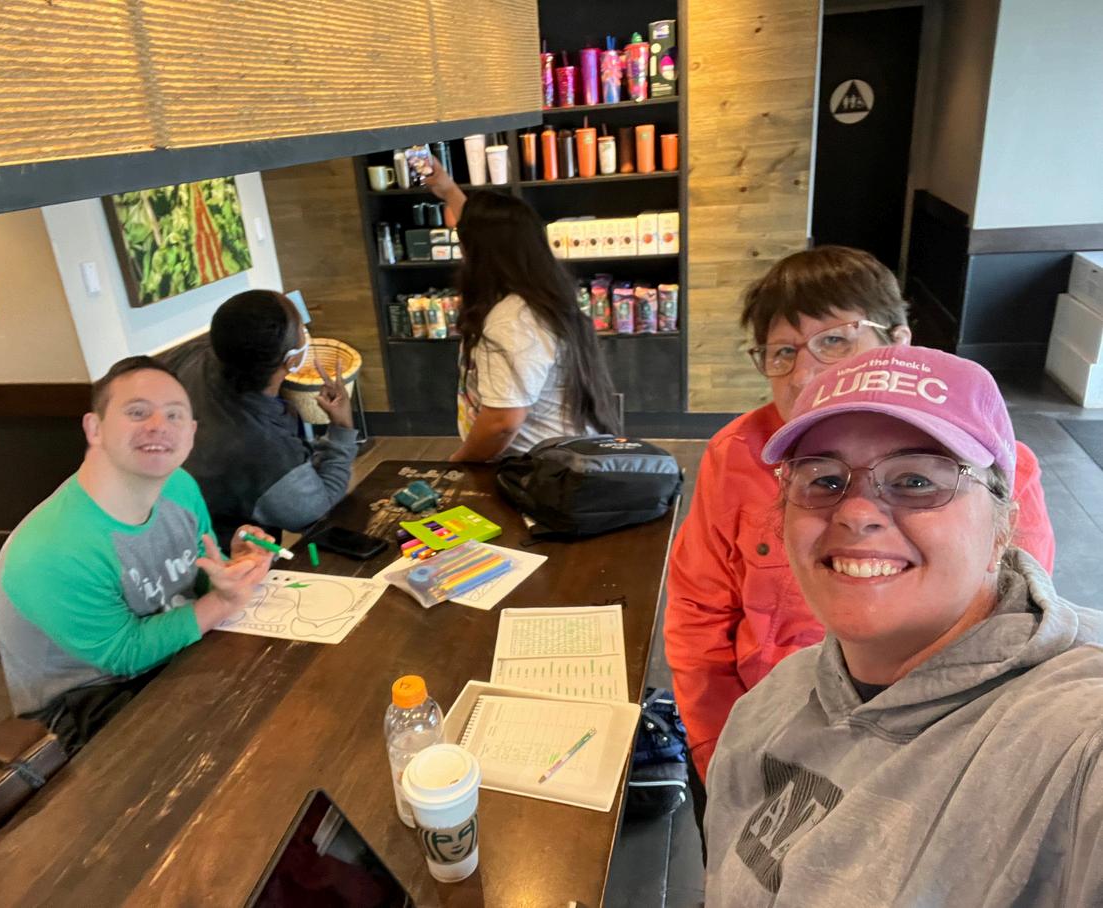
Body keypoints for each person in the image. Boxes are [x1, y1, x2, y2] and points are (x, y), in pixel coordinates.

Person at [664, 247, 1055, 819]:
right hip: (759, 744)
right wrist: (721, 755)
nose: (805, 374)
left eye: (835, 341)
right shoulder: (738, 454)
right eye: (782, 352)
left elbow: (1016, 635)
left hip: (928, 772)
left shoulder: (988, 463)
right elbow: (698, 613)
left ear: (899, 341)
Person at [704, 345, 1103, 906]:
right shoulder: (773, 701)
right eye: (824, 480)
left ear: (1002, 528)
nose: (855, 512)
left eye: (916, 480)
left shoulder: (1076, 738)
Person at [0, 356, 274, 752]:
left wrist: (233, 565)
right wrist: (223, 601)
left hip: (172, 657)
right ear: (95, 428)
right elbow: (123, 654)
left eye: (174, 415)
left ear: (191, 433)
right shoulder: (51, 549)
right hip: (85, 704)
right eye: (137, 412)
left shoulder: (178, 486)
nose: (158, 426)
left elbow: (198, 575)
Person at [423, 159, 620, 460]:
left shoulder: (512, 320)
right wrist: (449, 190)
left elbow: (502, 423)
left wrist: (457, 463)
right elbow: (488, 233)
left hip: (541, 472)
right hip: (566, 461)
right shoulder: (541, 295)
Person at [163, 289, 357, 550]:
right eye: (300, 327)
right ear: (292, 359)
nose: (305, 331)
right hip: (226, 556)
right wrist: (342, 428)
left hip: (168, 528)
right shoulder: (263, 449)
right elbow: (312, 510)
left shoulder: (194, 355)